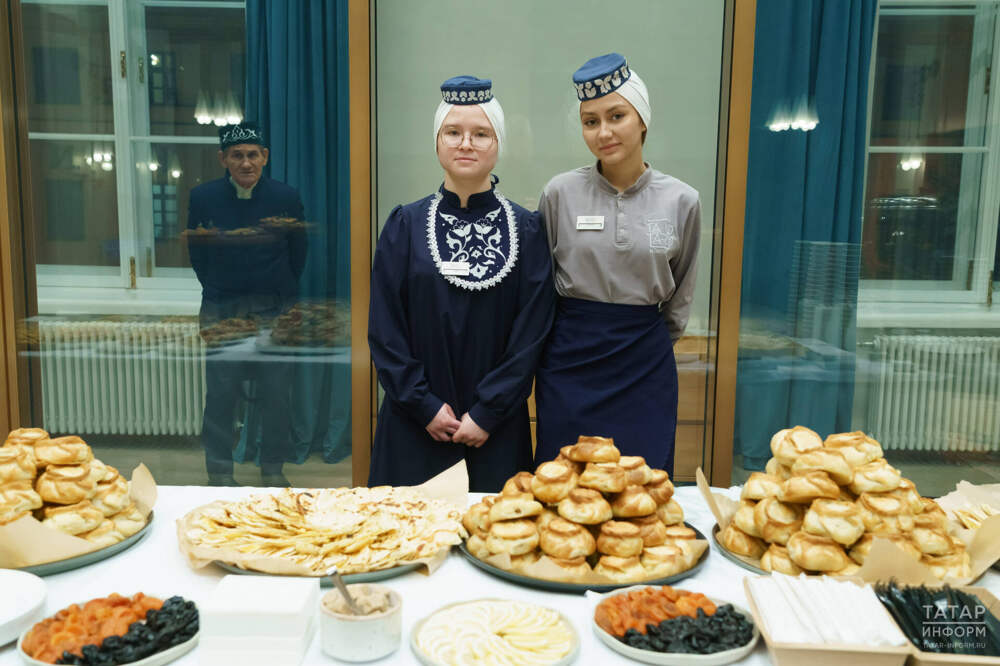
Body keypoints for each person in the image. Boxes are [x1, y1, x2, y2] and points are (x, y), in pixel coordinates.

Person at [368, 76, 555, 492]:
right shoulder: (405, 226)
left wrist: (488, 412)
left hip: (495, 429)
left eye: (481, 134)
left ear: (498, 144)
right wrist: (424, 406)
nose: (466, 144)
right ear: (437, 142)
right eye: (453, 132)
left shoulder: (527, 230)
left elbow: (532, 334)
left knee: (495, 530)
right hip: (414, 424)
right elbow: (385, 328)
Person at [533, 54, 701, 475]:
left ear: (642, 119)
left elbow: (681, 292)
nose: (604, 132)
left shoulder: (682, 200)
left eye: (616, 116)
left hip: (644, 364)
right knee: (563, 482)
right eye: (590, 121)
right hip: (570, 361)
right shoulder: (559, 193)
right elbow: (540, 286)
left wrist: (646, 338)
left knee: (641, 485)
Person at [186, 122, 307, 486]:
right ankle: (220, 474)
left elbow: (298, 255)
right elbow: (198, 255)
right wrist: (223, 293)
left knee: (277, 398)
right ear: (223, 159)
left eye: (253, 155)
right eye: (237, 155)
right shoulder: (203, 198)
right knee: (221, 398)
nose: (246, 163)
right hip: (223, 311)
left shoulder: (286, 197)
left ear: (264, 157)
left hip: (274, 311)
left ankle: (272, 470)